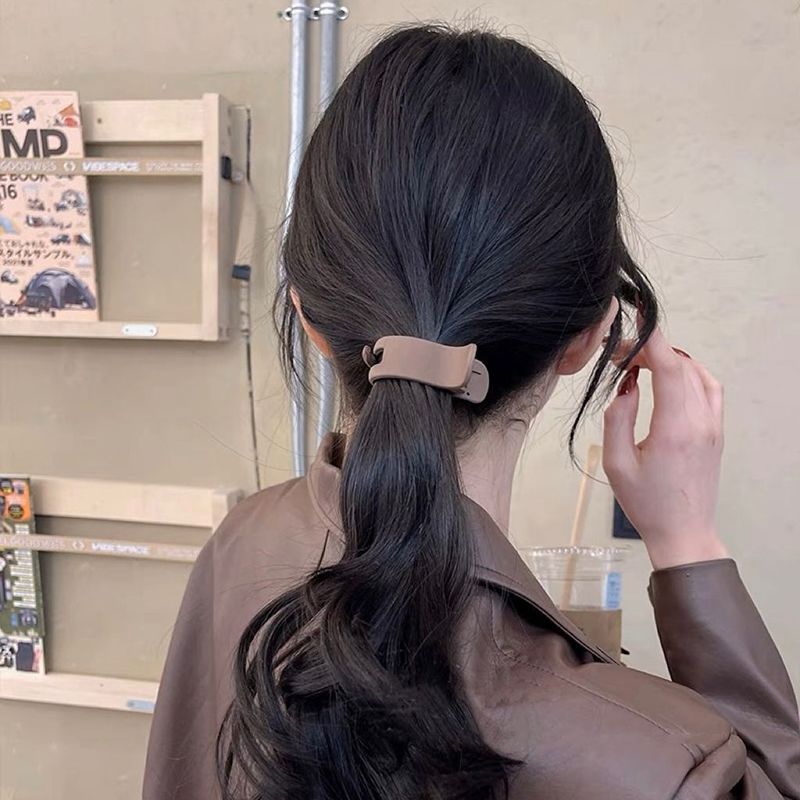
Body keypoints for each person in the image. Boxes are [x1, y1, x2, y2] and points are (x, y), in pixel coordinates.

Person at [143, 24, 799, 800]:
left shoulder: (238, 549)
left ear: (309, 318)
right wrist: (688, 545)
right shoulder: (665, 767)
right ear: (589, 337)